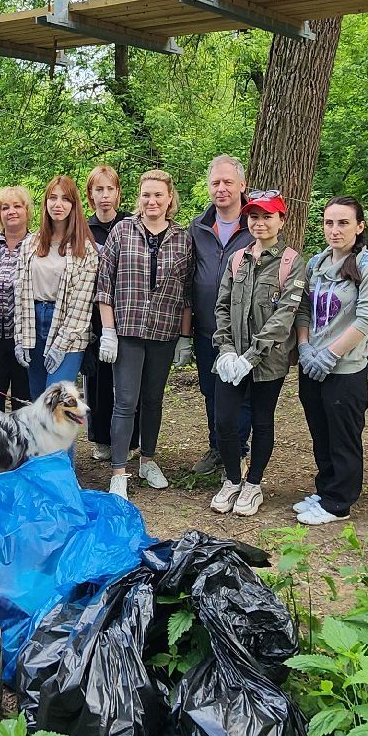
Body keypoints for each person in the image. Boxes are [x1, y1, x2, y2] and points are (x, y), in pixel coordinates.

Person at [96, 169, 195, 498]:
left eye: (158, 195)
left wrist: (184, 336)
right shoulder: (122, 232)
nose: (151, 201)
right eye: (146, 195)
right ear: (138, 198)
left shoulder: (183, 238)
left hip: (165, 332)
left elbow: (187, 293)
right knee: (125, 401)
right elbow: (104, 286)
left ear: (170, 199)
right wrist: (107, 330)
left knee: (153, 399)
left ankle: (148, 459)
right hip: (127, 331)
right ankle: (119, 471)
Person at [207, 191, 306, 518]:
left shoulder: (291, 262)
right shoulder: (238, 259)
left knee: (262, 421)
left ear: (281, 219)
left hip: (268, 362)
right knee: (224, 420)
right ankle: (233, 479)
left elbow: (285, 316)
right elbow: (222, 307)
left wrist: (251, 356)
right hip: (231, 358)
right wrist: (226, 350)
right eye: (254, 217)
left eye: (267, 216)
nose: (259, 223)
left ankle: (253, 484)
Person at [293, 197, 368, 527]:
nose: (335, 229)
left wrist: (332, 354)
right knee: (321, 433)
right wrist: (305, 348)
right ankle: (326, 489)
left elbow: (366, 320)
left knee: (344, 436)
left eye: (343, 222)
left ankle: (339, 502)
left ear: (359, 226)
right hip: (312, 365)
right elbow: (303, 309)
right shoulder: (317, 263)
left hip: (345, 369)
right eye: (329, 222)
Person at [184, 155, 253, 476]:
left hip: (244, 331)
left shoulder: (255, 224)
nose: (221, 188)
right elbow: (186, 278)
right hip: (206, 328)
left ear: (242, 185)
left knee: (240, 392)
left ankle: (236, 451)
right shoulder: (197, 227)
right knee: (210, 390)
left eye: (228, 182)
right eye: (215, 183)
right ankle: (217, 447)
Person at [14, 175, 97, 397]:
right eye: (52, 198)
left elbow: (82, 305)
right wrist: (20, 339)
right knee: (38, 402)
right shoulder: (31, 244)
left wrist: (61, 345)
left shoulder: (85, 249)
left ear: (73, 205)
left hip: (68, 329)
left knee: (57, 401)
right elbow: (20, 294)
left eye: (64, 199)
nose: (58, 204)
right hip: (34, 323)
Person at [81, 166, 133, 460]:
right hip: (94, 316)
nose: (104, 196)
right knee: (99, 380)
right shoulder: (84, 230)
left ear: (118, 192)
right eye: (98, 190)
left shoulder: (131, 224)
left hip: (128, 313)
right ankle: (101, 437)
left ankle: (131, 437)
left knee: (127, 381)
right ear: (90, 194)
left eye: (109, 189)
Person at [0, 185, 34, 412]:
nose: (11, 211)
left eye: (17, 206)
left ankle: (23, 448)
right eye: (5, 207)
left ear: (27, 211)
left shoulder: (38, 245)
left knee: (24, 402)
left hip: (26, 337)